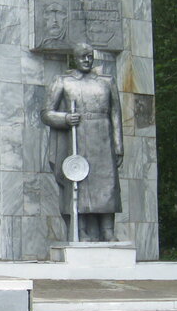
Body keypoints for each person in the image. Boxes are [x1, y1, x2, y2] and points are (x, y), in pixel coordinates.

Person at [41, 44, 123, 242]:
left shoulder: (107, 81)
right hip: (77, 137)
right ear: (74, 59)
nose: (87, 60)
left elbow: (116, 114)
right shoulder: (63, 81)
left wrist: (118, 145)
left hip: (103, 137)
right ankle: (81, 229)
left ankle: (107, 230)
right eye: (82, 57)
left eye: (89, 56)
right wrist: (66, 118)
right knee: (80, 181)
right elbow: (46, 113)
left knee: (107, 183)